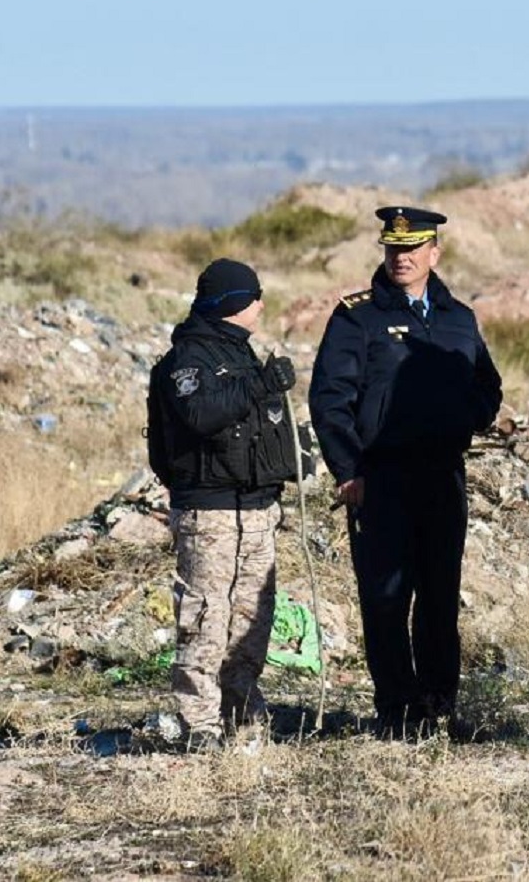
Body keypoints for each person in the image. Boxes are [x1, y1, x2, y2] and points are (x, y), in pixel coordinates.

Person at [310, 205, 502, 737]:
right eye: (394, 248)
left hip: (442, 476)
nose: (402, 257)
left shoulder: (458, 316)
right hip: (381, 479)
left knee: (440, 598)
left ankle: (439, 710)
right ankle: (396, 711)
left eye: (413, 249)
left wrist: (467, 417)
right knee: (386, 600)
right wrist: (348, 471)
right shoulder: (358, 316)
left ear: (433, 253)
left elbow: (487, 383)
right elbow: (329, 399)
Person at [149, 257, 300, 750]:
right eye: (254, 296)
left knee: (250, 621)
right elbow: (201, 414)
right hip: (210, 513)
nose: (261, 304)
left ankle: (242, 715)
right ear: (235, 304)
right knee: (205, 618)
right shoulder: (187, 359)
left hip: (256, 510)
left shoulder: (242, 355)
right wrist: (261, 384)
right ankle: (199, 726)